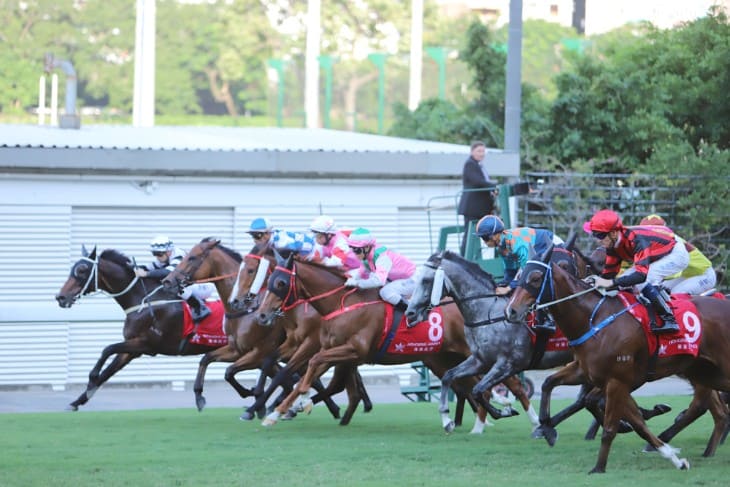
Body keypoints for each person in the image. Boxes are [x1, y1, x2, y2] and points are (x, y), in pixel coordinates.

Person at [582, 209, 690, 334]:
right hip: (658, 253)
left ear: (613, 233)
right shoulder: (612, 246)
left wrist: (609, 283)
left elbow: (641, 276)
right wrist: (593, 283)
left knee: (646, 278)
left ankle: (669, 319)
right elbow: (609, 275)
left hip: (676, 253)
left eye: (600, 235)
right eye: (595, 235)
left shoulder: (636, 240)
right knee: (626, 277)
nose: (598, 240)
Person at [474, 215, 564, 333]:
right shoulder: (501, 246)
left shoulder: (517, 244)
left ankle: (549, 318)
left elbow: (527, 272)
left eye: (485, 238)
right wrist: (504, 284)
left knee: (536, 281)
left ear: (495, 235)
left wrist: (509, 287)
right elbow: (510, 269)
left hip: (553, 247)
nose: (484, 242)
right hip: (536, 252)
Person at [344, 227, 417, 325]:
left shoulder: (382, 257)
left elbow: (379, 281)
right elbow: (361, 274)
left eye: (356, 250)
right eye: (352, 249)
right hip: (396, 280)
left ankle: (413, 313)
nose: (354, 254)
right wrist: (350, 280)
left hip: (412, 279)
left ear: (366, 247)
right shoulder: (366, 258)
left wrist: (357, 283)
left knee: (385, 292)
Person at [134, 235, 214, 323]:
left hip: (203, 286)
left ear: (168, 252)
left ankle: (199, 307)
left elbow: (169, 272)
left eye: (159, 254)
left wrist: (146, 274)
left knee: (174, 284)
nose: (157, 257)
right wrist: (133, 267)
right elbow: (148, 267)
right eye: (154, 254)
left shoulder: (178, 255)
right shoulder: (164, 257)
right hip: (190, 284)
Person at [638, 214, 716, 295]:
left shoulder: (671, 242)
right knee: (663, 291)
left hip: (704, 275)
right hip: (686, 275)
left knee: (677, 294)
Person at [457, 140, 498, 256]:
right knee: (469, 234)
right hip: (473, 207)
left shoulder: (479, 166)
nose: (482, 154)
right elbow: (478, 181)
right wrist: (494, 186)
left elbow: (483, 182)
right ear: (472, 152)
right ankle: (465, 257)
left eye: (483, 151)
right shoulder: (470, 164)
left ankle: (477, 255)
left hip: (480, 208)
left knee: (483, 231)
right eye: (479, 151)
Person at [247, 217, 316, 256]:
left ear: (268, 233)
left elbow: (293, 254)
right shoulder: (268, 243)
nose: (255, 240)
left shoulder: (281, 242)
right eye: (252, 235)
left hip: (313, 249)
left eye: (257, 235)